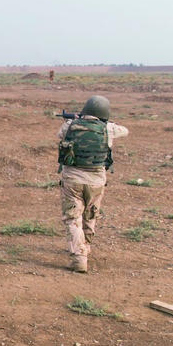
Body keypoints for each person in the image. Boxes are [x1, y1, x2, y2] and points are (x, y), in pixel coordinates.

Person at [56, 95, 129, 273]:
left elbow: (60, 134)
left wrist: (77, 121)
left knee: (73, 218)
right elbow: (125, 130)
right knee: (91, 215)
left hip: (72, 180)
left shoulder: (69, 126)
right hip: (97, 181)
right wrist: (107, 123)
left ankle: (79, 259)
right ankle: (85, 247)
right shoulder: (109, 128)